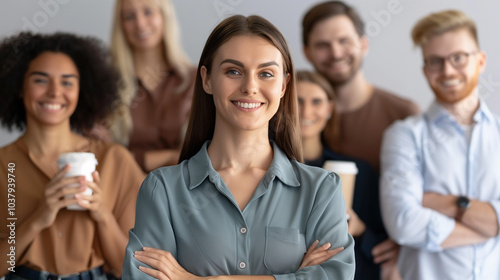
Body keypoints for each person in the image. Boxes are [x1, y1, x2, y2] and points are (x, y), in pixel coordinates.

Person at [122, 15, 355, 279]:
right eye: (233, 71)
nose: (250, 87)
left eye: (266, 73)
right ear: (207, 79)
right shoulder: (162, 190)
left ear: (283, 85)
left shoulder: (321, 190)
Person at [0, 32, 145, 279]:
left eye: (67, 82)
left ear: (82, 91)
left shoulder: (115, 160)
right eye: (40, 80)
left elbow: (131, 271)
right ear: (19, 88)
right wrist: (37, 218)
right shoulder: (4, 165)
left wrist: (102, 215)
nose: (55, 92)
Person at [380, 10, 500, 280]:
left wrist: (446, 204)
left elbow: (415, 219)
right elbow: (403, 223)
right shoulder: (404, 135)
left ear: (480, 61)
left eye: (458, 58)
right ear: (425, 70)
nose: (447, 70)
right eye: (435, 61)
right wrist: (490, 228)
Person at [302, 1, 420, 172]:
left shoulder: (403, 114)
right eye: (322, 45)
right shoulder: (292, 116)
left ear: (364, 45)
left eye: (344, 41)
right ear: (307, 52)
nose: (336, 53)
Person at [297, 70, 390, 279]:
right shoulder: (266, 171)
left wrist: (359, 230)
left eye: (316, 102)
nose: (305, 111)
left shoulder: (360, 172)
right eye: (297, 101)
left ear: (330, 108)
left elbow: (383, 246)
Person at [109, 0, 195, 172]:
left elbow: (205, 154)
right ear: (121, 25)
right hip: (124, 189)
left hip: (183, 190)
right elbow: (101, 156)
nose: (140, 24)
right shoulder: (106, 84)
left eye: (148, 12)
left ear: (164, 16)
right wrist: (170, 156)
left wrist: (134, 159)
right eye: (129, 17)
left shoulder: (196, 80)